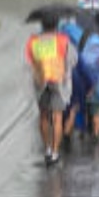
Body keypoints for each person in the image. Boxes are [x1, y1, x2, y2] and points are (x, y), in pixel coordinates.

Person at [25, 13, 80, 166]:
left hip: (41, 82)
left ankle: (47, 149)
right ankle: (55, 152)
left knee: (43, 116)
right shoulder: (63, 40)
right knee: (57, 117)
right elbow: (73, 60)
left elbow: (29, 61)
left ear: (42, 25)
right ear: (56, 25)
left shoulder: (33, 41)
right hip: (59, 82)